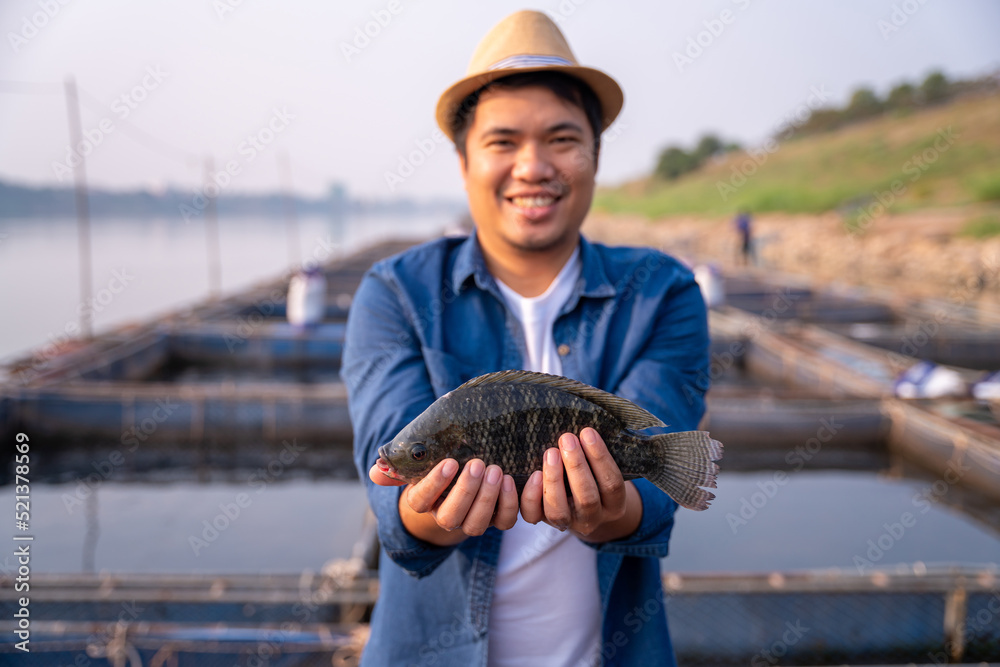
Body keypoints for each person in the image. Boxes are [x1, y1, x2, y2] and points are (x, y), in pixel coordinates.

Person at [342, 10, 709, 666]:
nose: (533, 166)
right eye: (503, 140)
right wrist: (428, 510)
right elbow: (390, 494)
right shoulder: (394, 292)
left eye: (562, 138)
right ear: (464, 161)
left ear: (596, 154)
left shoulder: (664, 292)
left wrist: (611, 504)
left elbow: (656, 476)